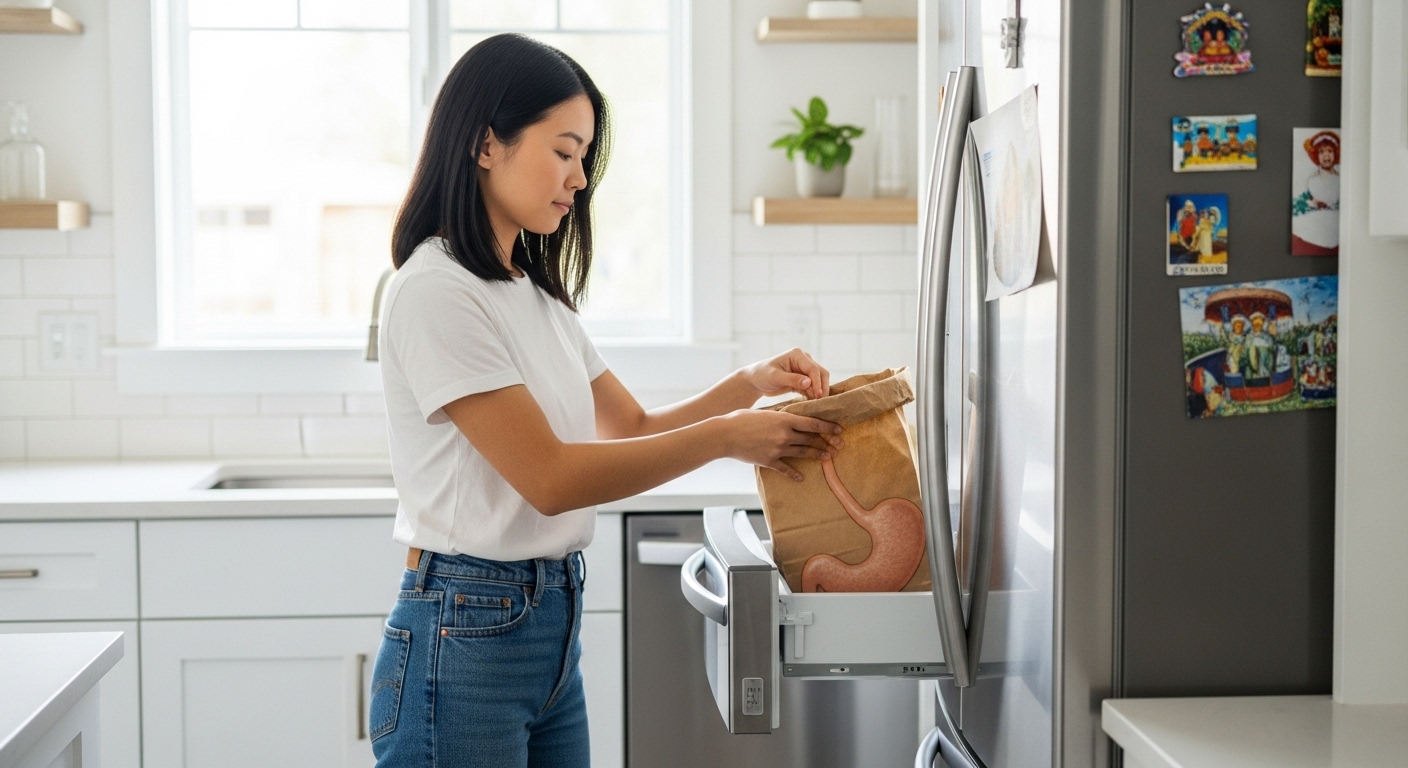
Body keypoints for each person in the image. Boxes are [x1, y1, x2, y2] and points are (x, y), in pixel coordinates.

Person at [368, 34, 844, 767]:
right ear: (486, 144)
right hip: (465, 633)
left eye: (585, 156)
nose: (579, 178)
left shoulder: (534, 295)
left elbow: (631, 426)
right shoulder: (436, 290)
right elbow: (551, 478)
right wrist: (728, 436)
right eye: (564, 151)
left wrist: (748, 384)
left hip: (548, 627)